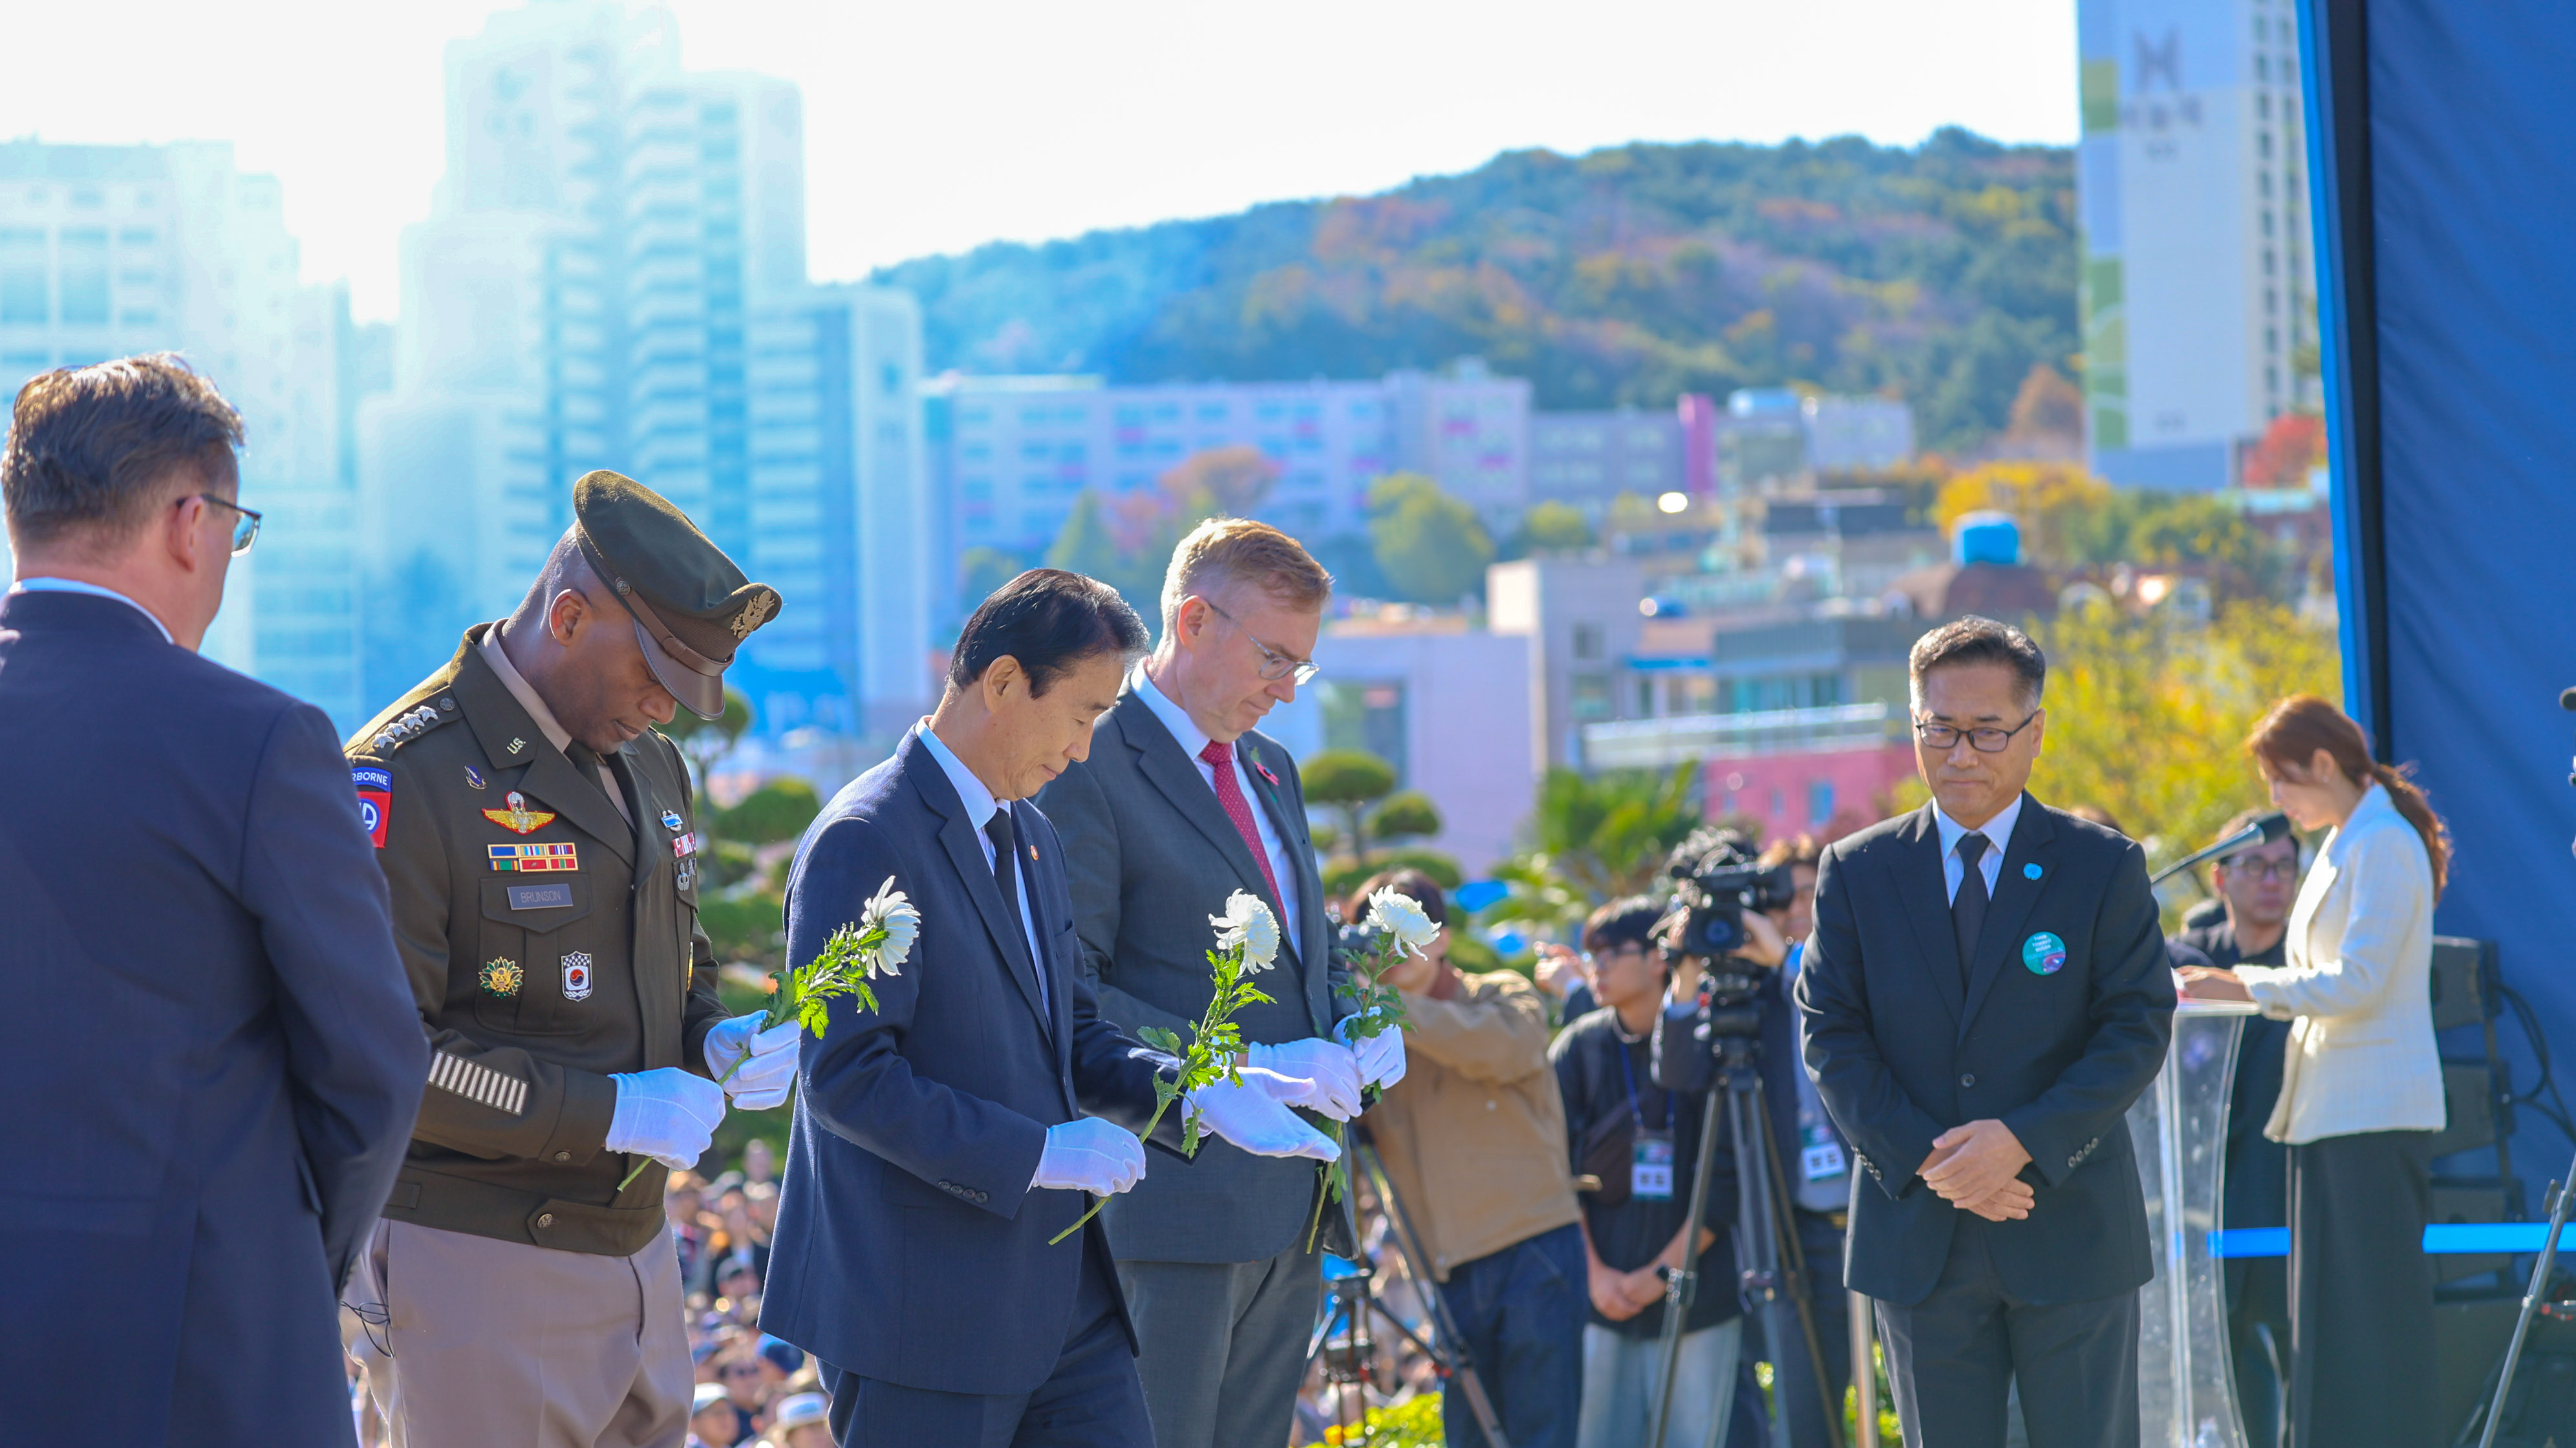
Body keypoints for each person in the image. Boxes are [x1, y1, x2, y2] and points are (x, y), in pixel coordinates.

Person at [760, 568, 1338, 1447]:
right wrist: (1036, 1152)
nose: (1081, 750)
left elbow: (1072, 1026)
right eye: (1082, 715)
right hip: (922, 1306)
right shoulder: (865, 836)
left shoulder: (1030, 834)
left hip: (1065, 1298)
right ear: (1002, 683)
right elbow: (846, 1076)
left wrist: (1195, 1090)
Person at [0, 355, 428, 1443]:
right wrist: (283, 1264)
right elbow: (370, 1072)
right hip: (199, 1349)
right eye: (235, 531)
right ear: (192, 521)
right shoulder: (256, 741)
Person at [345, 469, 804, 1447]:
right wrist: (614, 1112)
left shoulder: (651, 765)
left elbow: (686, 961)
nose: (668, 712)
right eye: (654, 680)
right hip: (475, 1258)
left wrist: (715, 1037)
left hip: (636, 1254)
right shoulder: (406, 776)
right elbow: (386, 1057)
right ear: (566, 617)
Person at [1036, 520, 1401, 1448]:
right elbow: (1070, 992)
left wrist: (1360, 1011)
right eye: (1274, 658)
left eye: (1301, 667)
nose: (1286, 690)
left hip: (1292, 1203)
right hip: (1170, 1206)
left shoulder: (1272, 768)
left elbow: (1295, 958)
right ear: (1194, 621)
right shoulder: (1088, 759)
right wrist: (1250, 1066)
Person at [1795, 615, 2175, 1448]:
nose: (1961, 753)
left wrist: (2022, 1141)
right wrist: (1938, 1161)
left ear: (2033, 732)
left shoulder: (2100, 864)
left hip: (2068, 1221)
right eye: (1940, 728)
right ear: (1915, 723)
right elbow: (1831, 1032)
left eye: (1987, 731)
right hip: (1919, 1234)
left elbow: (2137, 1025)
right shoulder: (1859, 869)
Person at [2177, 696, 2448, 1448]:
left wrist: (2244, 985)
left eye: (2281, 779)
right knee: (2330, 1323)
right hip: (2327, 1110)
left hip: (2372, 1112)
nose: (2276, 801)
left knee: (2372, 1325)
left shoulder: (2383, 842)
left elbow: (2356, 979)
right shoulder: (2343, 842)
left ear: (2323, 765)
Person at [1351, 867, 1586, 1448]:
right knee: (1470, 1437)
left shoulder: (1501, 992)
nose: (1393, 949)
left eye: (1407, 930)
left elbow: (1506, 1049)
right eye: (1375, 935)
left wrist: (1387, 1003)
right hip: (1448, 1270)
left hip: (1536, 1251)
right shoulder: (1365, 1029)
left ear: (1445, 936)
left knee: (1543, 1434)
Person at [1553, 897, 1743, 1448]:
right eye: (1593, 954)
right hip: (1601, 1294)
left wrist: (1662, 1274)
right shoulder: (1579, 1047)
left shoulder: (1711, 1039)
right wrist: (1596, 1277)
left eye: (1614, 952)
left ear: (1661, 958)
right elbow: (1552, 1172)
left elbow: (1727, 1176)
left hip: (1700, 1295)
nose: (1598, 967)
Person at [2176, 809, 2299, 1448]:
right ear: (2220, 876)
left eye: (2284, 864)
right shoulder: (2195, 962)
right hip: (2205, 1204)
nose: (2271, 879)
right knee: (2227, 1376)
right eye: (2255, 864)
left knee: (2300, 1373)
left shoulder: (2308, 968)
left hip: (2286, 1194)